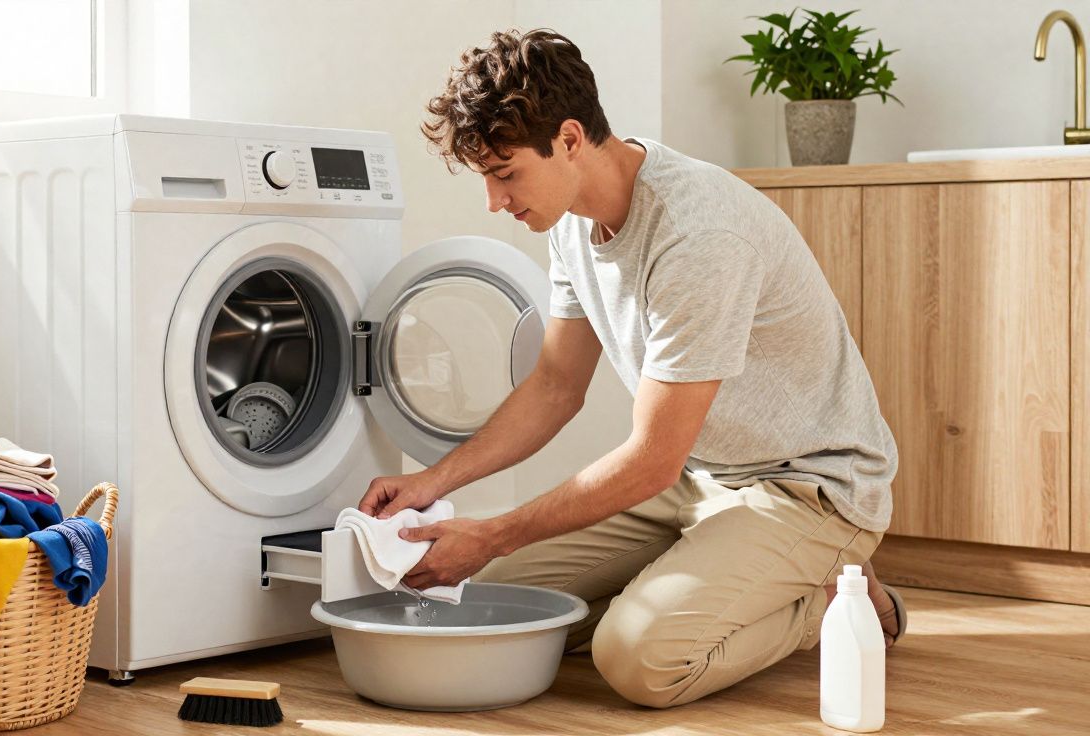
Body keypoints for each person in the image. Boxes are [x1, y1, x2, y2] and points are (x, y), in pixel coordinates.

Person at [357, 28, 903, 708]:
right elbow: (556, 387)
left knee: (637, 659)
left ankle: (833, 594)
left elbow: (650, 462)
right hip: (699, 479)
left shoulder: (698, 235)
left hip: (807, 487)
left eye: (505, 175)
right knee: (503, 600)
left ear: (569, 138)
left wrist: (491, 533)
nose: (496, 203)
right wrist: (430, 482)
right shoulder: (568, 221)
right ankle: (705, 577)